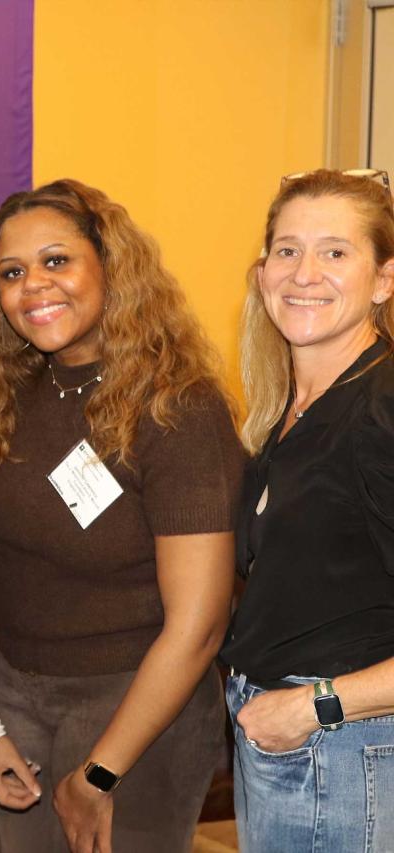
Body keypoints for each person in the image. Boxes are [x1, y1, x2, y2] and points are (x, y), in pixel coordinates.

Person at [0, 179, 244, 853]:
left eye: (57, 261)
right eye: (12, 271)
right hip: (14, 700)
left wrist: (98, 773)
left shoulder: (178, 406)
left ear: (109, 264)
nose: (34, 286)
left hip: (140, 709)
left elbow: (198, 628)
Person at [221, 168, 394, 852]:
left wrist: (312, 706)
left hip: (339, 742)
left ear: (384, 280)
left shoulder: (381, 410)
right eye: (287, 250)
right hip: (285, 737)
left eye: (335, 252)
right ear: (263, 272)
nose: (304, 272)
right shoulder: (286, 412)